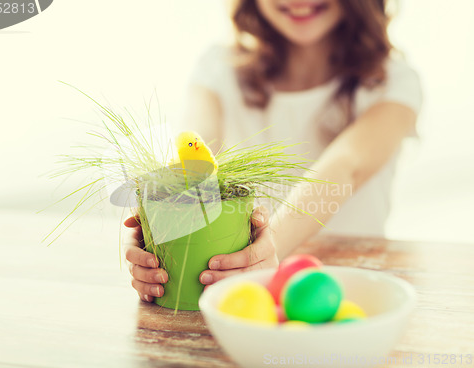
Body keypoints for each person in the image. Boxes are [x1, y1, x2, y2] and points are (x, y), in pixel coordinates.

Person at [124, 0, 422, 302]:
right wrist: (156, 227)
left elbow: (347, 165)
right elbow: (194, 160)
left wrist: (267, 250)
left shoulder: (393, 82)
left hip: (357, 291)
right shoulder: (218, 69)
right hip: (241, 293)